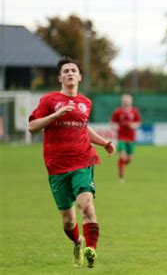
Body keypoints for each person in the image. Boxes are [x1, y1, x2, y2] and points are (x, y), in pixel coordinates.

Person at [28, 57, 115, 268]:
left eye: (73, 70)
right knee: (68, 220)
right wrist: (55, 115)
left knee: (87, 207)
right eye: (65, 70)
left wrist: (104, 142)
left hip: (82, 161)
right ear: (60, 77)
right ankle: (77, 242)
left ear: (79, 76)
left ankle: (91, 250)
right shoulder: (49, 100)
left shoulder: (86, 102)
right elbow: (32, 126)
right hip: (56, 167)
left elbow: (83, 127)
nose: (69, 73)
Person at [110, 94, 142, 183]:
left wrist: (134, 125)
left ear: (131, 102)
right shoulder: (118, 111)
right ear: (122, 102)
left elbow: (138, 122)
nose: (126, 102)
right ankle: (121, 177)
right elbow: (112, 122)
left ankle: (121, 165)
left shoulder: (134, 111)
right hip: (121, 137)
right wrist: (114, 127)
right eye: (124, 101)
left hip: (131, 138)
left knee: (129, 159)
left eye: (127, 101)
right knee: (123, 156)